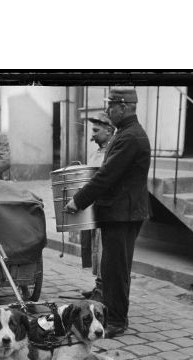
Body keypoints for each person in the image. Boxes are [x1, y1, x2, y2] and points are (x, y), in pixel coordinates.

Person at [65, 87, 151, 338]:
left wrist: (78, 201)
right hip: (119, 212)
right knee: (112, 268)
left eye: (111, 106)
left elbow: (107, 175)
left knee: (117, 270)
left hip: (124, 214)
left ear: (123, 107)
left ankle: (117, 320)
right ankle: (114, 315)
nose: (108, 110)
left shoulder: (130, 137)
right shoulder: (125, 133)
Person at [81, 111, 115, 302]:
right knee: (96, 248)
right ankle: (98, 286)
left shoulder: (113, 152)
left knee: (103, 250)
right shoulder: (96, 152)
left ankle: (104, 290)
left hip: (106, 207)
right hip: (94, 206)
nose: (92, 135)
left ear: (109, 130)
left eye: (96, 130)